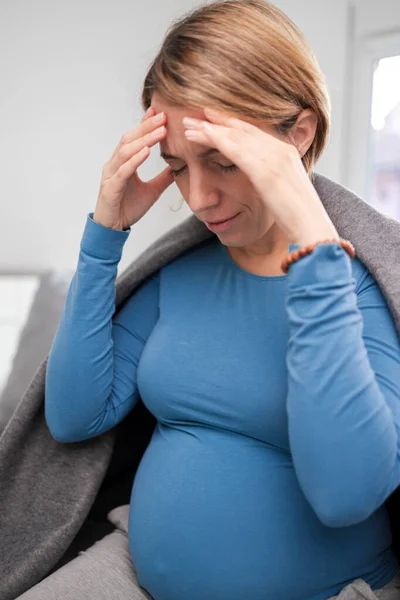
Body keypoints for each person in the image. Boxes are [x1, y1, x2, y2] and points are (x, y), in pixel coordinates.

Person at [17, 1, 400, 599]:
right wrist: (103, 239)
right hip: (132, 571)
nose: (199, 197)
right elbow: (73, 417)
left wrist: (317, 253)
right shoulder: (180, 272)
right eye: (177, 167)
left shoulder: (361, 285)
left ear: (297, 135)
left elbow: (345, 495)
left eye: (223, 163)